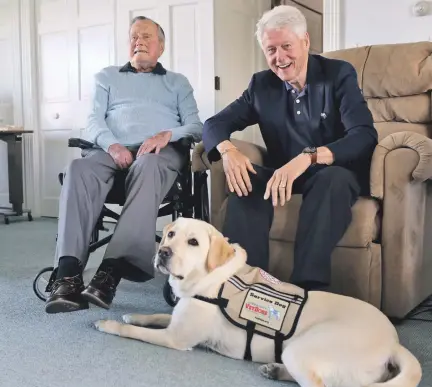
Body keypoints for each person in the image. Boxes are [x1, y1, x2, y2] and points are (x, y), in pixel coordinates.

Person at [202, 5, 378, 292]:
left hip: (333, 172)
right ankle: (244, 283)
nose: (279, 58)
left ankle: (307, 288)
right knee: (245, 182)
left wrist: (309, 157)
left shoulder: (338, 74)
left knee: (332, 179)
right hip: (283, 175)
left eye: (287, 46)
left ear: (305, 42)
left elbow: (364, 135)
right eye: (271, 49)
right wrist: (228, 151)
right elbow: (213, 124)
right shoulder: (261, 85)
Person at [45, 16, 203, 314]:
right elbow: (93, 120)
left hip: (158, 154)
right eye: (133, 36)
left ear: (161, 46)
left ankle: (110, 271)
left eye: (146, 36)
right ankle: (67, 274)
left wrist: (167, 134)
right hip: (112, 152)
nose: (138, 41)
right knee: (77, 169)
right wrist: (111, 144)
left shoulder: (177, 83)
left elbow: (196, 126)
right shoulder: (107, 77)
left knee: (149, 164)